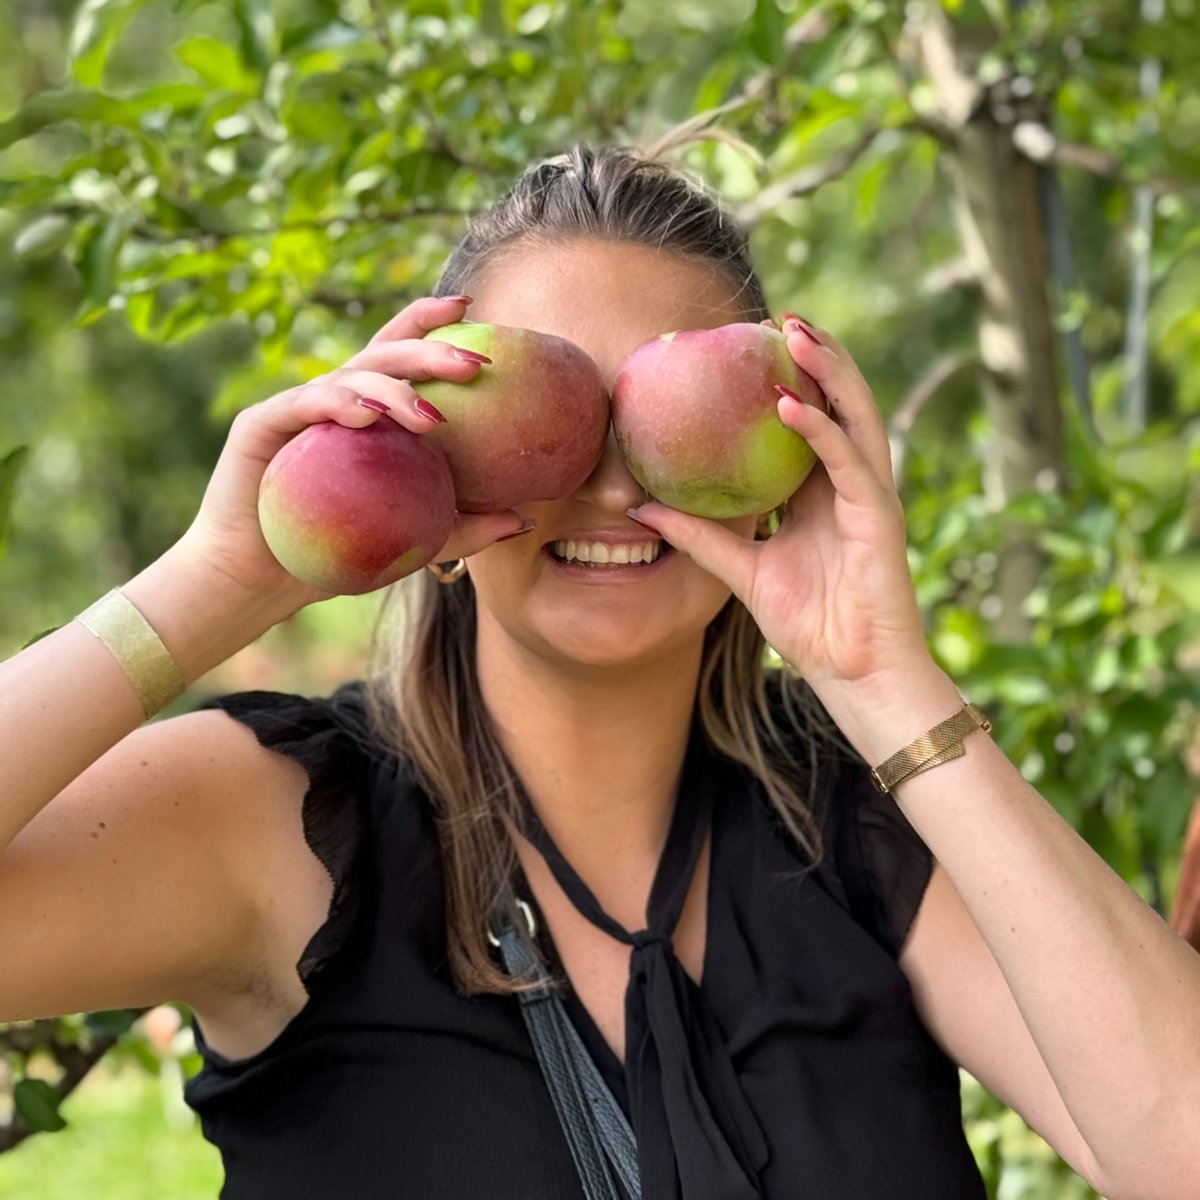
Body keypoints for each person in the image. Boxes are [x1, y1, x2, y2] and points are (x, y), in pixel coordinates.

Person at [1, 145, 1198, 1200]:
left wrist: (884, 679)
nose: (613, 487)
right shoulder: (281, 823)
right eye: (549, 422)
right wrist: (219, 582)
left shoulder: (865, 827)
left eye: (662, 426)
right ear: (432, 446)